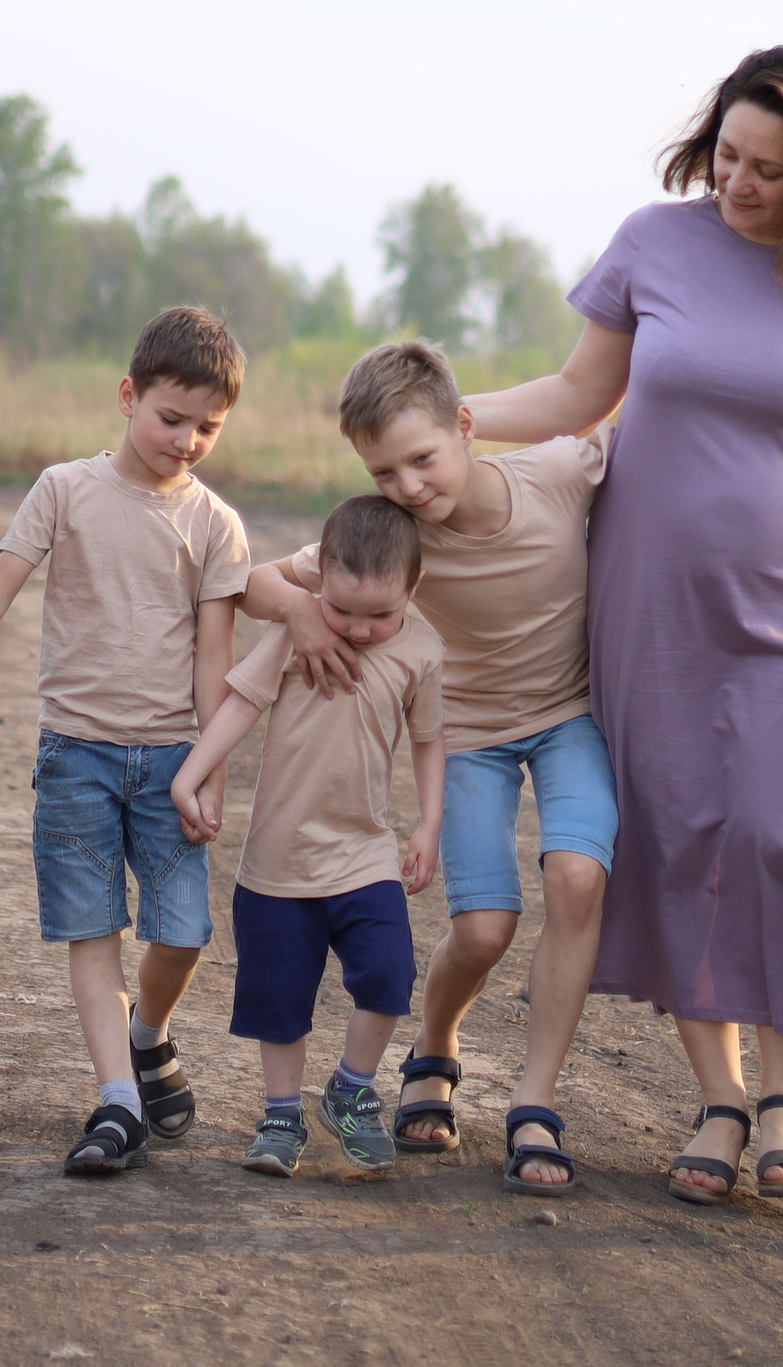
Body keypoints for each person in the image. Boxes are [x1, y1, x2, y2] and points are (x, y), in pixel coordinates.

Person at [462, 44, 783, 1203]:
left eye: (768, 169)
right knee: (676, 835)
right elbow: (579, 395)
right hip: (650, 597)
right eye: (726, 155)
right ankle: (723, 1098)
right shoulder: (653, 242)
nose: (737, 183)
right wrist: (447, 416)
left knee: (780, 833)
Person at [241, 341, 612, 1193]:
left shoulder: (558, 473)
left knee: (578, 879)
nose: (407, 485)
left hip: (570, 716)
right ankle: (435, 1042)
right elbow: (253, 580)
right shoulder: (395, 539)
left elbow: (651, 442)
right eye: (383, 471)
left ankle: (534, 1100)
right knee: (484, 929)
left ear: (466, 426)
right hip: (472, 733)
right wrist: (299, 609)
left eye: (421, 458)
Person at [0, 307, 251, 1178]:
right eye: (171, 417)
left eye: (208, 427)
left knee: (183, 930)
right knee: (93, 927)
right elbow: (3, 584)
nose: (186, 440)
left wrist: (211, 769)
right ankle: (117, 1100)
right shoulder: (65, 488)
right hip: (75, 752)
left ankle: (149, 1034)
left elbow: (214, 658)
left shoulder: (215, 523)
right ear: (127, 396)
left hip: (172, 760)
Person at [169, 496, 445, 1178]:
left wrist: (429, 823)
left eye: (380, 614)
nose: (359, 629)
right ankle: (282, 1112)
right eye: (343, 609)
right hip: (279, 859)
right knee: (280, 997)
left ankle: (351, 1088)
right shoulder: (297, 631)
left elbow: (429, 739)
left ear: (414, 586)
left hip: (364, 853)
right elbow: (242, 702)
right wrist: (191, 775)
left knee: (389, 972)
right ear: (320, 577)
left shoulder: (421, 649)